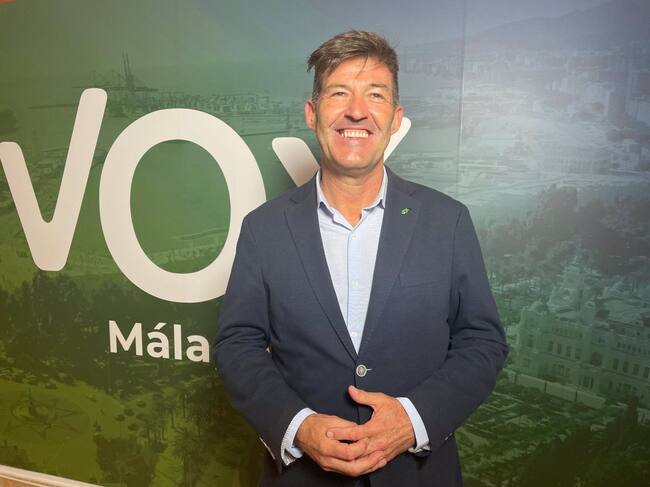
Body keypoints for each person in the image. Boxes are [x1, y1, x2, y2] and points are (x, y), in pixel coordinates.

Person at [213, 30, 508, 487]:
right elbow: (237, 344)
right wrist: (297, 426)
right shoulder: (263, 229)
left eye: (375, 95)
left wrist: (413, 420)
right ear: (312, 113)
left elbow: (482, 340)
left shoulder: (447, 221)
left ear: (395, 118)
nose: (356, 111)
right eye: (338, 93)